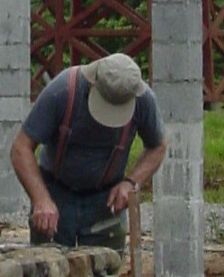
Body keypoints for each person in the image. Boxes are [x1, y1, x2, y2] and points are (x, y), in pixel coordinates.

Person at [10, 53, 166, 250]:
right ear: (92, 84)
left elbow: (158, 146)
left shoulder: (143, 100)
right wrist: (41, 199)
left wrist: (132, 182)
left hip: (105, 201)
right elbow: (21, 148)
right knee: (49, 266)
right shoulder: (62, 91)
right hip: (55, 193)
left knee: (104, 267)